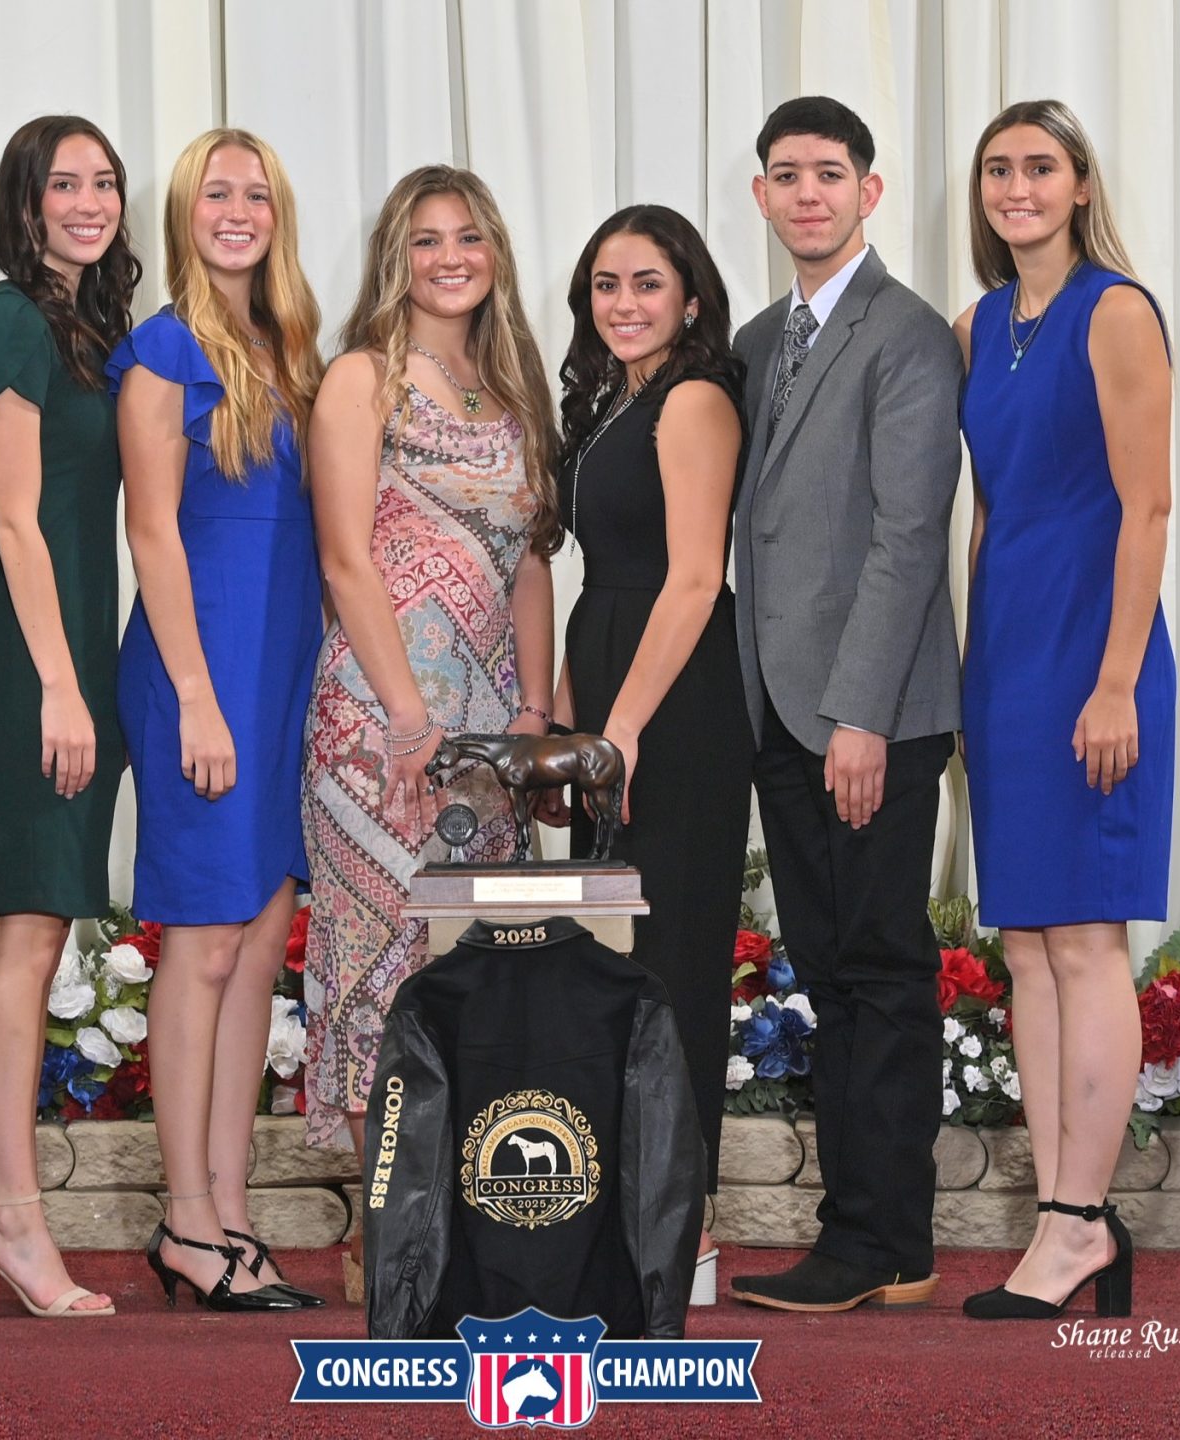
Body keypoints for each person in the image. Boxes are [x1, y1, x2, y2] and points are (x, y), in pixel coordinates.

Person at [301, 165, 560, 1300]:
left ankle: (458, 1226)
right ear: (393, 259)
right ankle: (385, 1239)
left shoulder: (512, 389)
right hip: (378, 717)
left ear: (494, 252)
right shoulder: (362, 378)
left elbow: (534, 559)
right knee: (380, 968)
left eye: (467, 237)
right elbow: (345, 554)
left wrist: (533, 718)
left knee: (471, 975)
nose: (448, 256)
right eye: (423, 241)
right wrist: (407, 715)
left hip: (488, 733)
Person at [724, 96, 964, 1314]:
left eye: (829, 173)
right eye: (784, 175)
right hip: (778, 713)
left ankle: (880, 1242)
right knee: (833, 968)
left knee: (878, 968)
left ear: (870, 191)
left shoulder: (908, 335)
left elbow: (908, 537)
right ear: (759, 196)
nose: (806, 193)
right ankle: (873, 1233)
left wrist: (861, 713)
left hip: (870, 718)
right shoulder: (761, 340)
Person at [954, 99, 1172, 1322]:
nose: (1017, 186)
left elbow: (1146, 507)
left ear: (1081, 185)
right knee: (1027, 948)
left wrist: (1113, 680)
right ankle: (1057, 1216)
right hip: (1008, 659)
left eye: (1040, 167)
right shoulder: (981, 322)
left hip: (1097, 659)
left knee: (1086, 943)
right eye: (998, 169)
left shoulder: (1117, 309)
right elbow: (986, 513)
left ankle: (1082, 1221)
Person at [112, 128, 324, 1313]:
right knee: (201, 945)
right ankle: (185, 1222)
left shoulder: (288, 348)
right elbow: (152, 535)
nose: (236, 211)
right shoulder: (162, 351)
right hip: (204, 672)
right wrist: (193, 694)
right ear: (184, 213)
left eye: (255, 194)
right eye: (215, 194)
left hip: (286, 668)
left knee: (258, 944)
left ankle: (230, 1208)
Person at [0, 114, 139, 1319]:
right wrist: (62, 682)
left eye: (104, 180)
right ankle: (10, 1217)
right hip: (37, 664)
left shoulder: (93, 325)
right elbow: (14, 521)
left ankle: (2, 1213)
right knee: (25, 930)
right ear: (25, 201)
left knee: (46, 927)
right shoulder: (11, 318)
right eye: (63, 182)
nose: (88, 199)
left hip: (83, 656)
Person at [551, 204, 749, 1307]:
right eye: (604, 285)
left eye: (645, 284)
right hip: (613, 695)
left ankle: (691, 1229)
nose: (623, 304)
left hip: (674, 709)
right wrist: (572, 721)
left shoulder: (694, 399)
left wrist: (620, 730)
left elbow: (690, 582)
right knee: (616, 966)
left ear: (688, 296)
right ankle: (630, 1207)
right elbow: (602, 583)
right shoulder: (612, 403)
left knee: (672, 960)